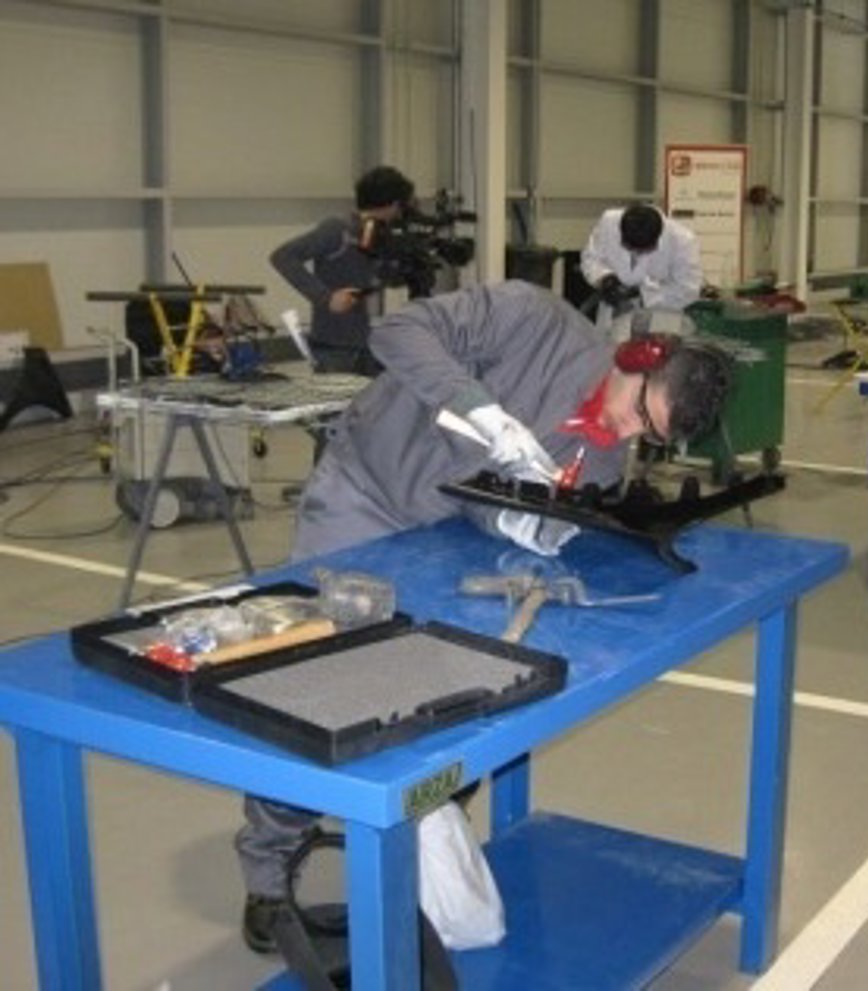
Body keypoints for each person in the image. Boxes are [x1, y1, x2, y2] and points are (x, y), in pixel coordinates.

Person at [238, 279, 733, 953]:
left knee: (448, 696)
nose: (629, 434)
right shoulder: (531, 320)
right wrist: (484, 411)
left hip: (446, 535)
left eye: (652, 435)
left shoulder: (606, 451)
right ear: (636, 359)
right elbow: (397, 333)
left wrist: (518, 520)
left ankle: (415, 835)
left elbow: (494, 498)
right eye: (638, 413)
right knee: (312, 690)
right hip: (366, 490)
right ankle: (268, 874)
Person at [270, 165, 415, 376]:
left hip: (372, 346)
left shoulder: (381, 236)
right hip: (335, 349)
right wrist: (325, 298)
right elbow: (283, 256)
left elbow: (380, 279)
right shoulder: (338, 230)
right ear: (392, 205)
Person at [580, 204, 702, 337]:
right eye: (629, 247)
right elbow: (591, 258)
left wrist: (643, 295)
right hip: (613, 313)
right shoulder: (609, 222)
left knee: (653, 355)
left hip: (661, 316)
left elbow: (688, 289)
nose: (635, 253)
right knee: (608, 352)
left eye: (642, 251)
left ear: (657, 239)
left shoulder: (683, 241)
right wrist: (605, 279)